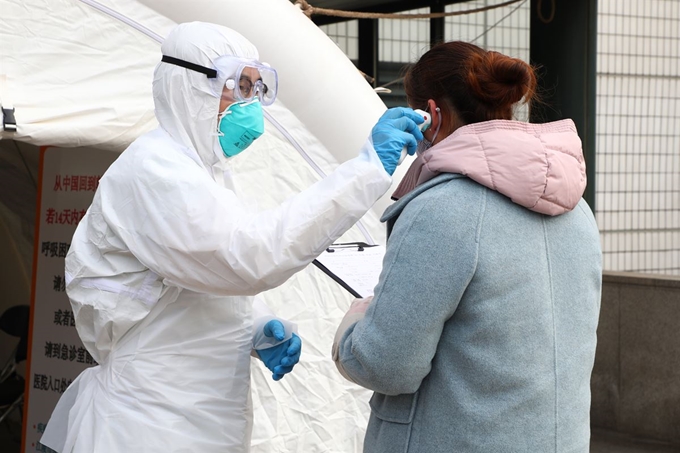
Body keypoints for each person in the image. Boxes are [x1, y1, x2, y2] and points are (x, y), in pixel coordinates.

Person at [40, 22, 424, 453]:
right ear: (190, 85)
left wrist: (256, 328)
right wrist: (366, 168)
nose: (251, 105)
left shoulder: (204, 173)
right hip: (146, 422)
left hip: (200, 418)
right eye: (239, 86)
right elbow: (247, 257)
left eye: (257, 89)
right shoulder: (153, 171)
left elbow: (191, 283)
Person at [332, 41, 602, 453]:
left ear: (431, 115)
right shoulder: (577, 208)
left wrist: (353, 326)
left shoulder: (440, 210)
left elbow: (387, 365)